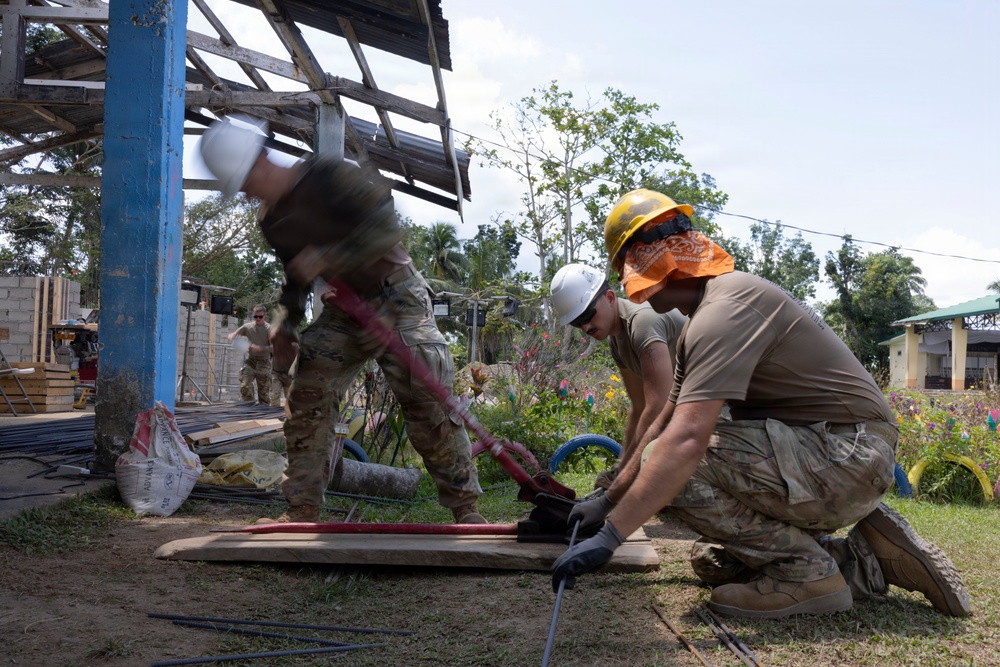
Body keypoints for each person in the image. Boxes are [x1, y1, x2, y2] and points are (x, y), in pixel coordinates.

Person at [552, 188, 970, 619]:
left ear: (657, 263)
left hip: (851, 455)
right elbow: (663, 420)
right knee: (716, 562)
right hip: (834, 453)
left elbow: (684, 442)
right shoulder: (708, 314)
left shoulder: (723, 312)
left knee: (672, 464)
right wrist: (607, 502)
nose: (628, 284)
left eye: (629, 267)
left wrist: (611, 537)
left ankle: (806, 575)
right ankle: (867, 559)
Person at [200, 116, 484, 524]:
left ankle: (465, 509)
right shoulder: (272, 221)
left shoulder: (330, 175)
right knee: (308, 394)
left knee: (425, 390)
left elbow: (385, 228)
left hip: (396, 294)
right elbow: (295, 280)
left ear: (261, 159)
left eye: (246, 182)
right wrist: (286, 323)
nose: (246, 194)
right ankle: (302, 508)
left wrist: (330, 258)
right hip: (343, 310)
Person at [549, 263, 686, 493]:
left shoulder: (642, 322)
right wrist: (621, 468)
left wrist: (625, 474)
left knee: (663, 486)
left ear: (610, 296)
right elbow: (639, 406)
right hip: (687, 411)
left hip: (723, 411)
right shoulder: (617, 340)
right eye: (577, 322)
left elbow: (658, 406)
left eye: (588, 315)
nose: (585, 326)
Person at [227, 304, 273, 405]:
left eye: (260, 317)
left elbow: (274, 348)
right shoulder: (248, 327)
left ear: (264, 316)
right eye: (255, 317)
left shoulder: (269, 329)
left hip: (264, 362)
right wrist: (232, 336)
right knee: (245, 386)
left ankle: (263, 412)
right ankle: (249, 407)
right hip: (251, 361)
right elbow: (233, 334)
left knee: (264, 392)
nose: (257, 319)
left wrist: (260, 348)